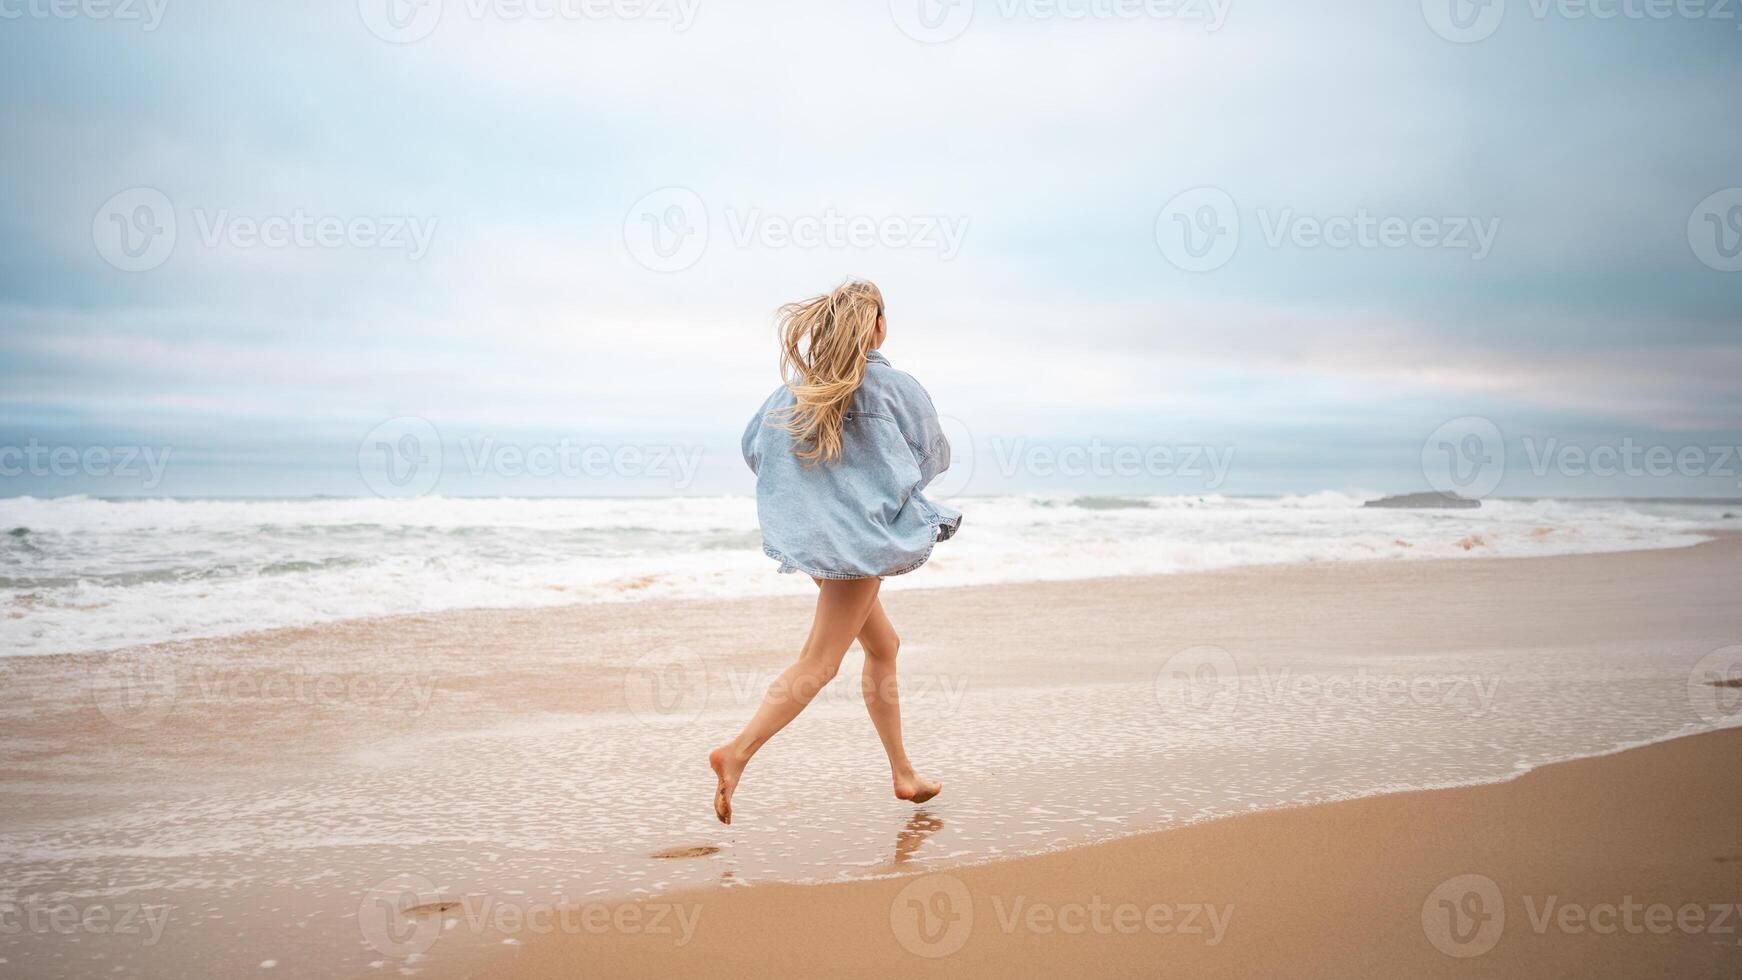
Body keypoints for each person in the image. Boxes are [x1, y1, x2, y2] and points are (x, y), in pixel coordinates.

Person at [709, 279, 961, 825]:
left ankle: (903, 773)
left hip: (816, 539)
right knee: (820, 662)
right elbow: (932, 454)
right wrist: (874, 488)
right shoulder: (892, 385)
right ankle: (737, 752)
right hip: (860, 541)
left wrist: (814, 494)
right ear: (876, 326)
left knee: (884, 645)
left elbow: (756, 449)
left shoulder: (791, 391)